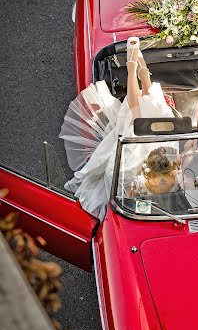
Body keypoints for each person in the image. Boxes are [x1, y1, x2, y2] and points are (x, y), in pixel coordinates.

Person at [59, 37, 175, 220]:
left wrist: (132, 67)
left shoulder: (131, 173)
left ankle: (138, 72)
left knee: (138, 118)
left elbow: (127, 192)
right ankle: (140, 73)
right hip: (150, 142)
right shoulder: (168, 161)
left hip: (140, 145)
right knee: (151, 111)